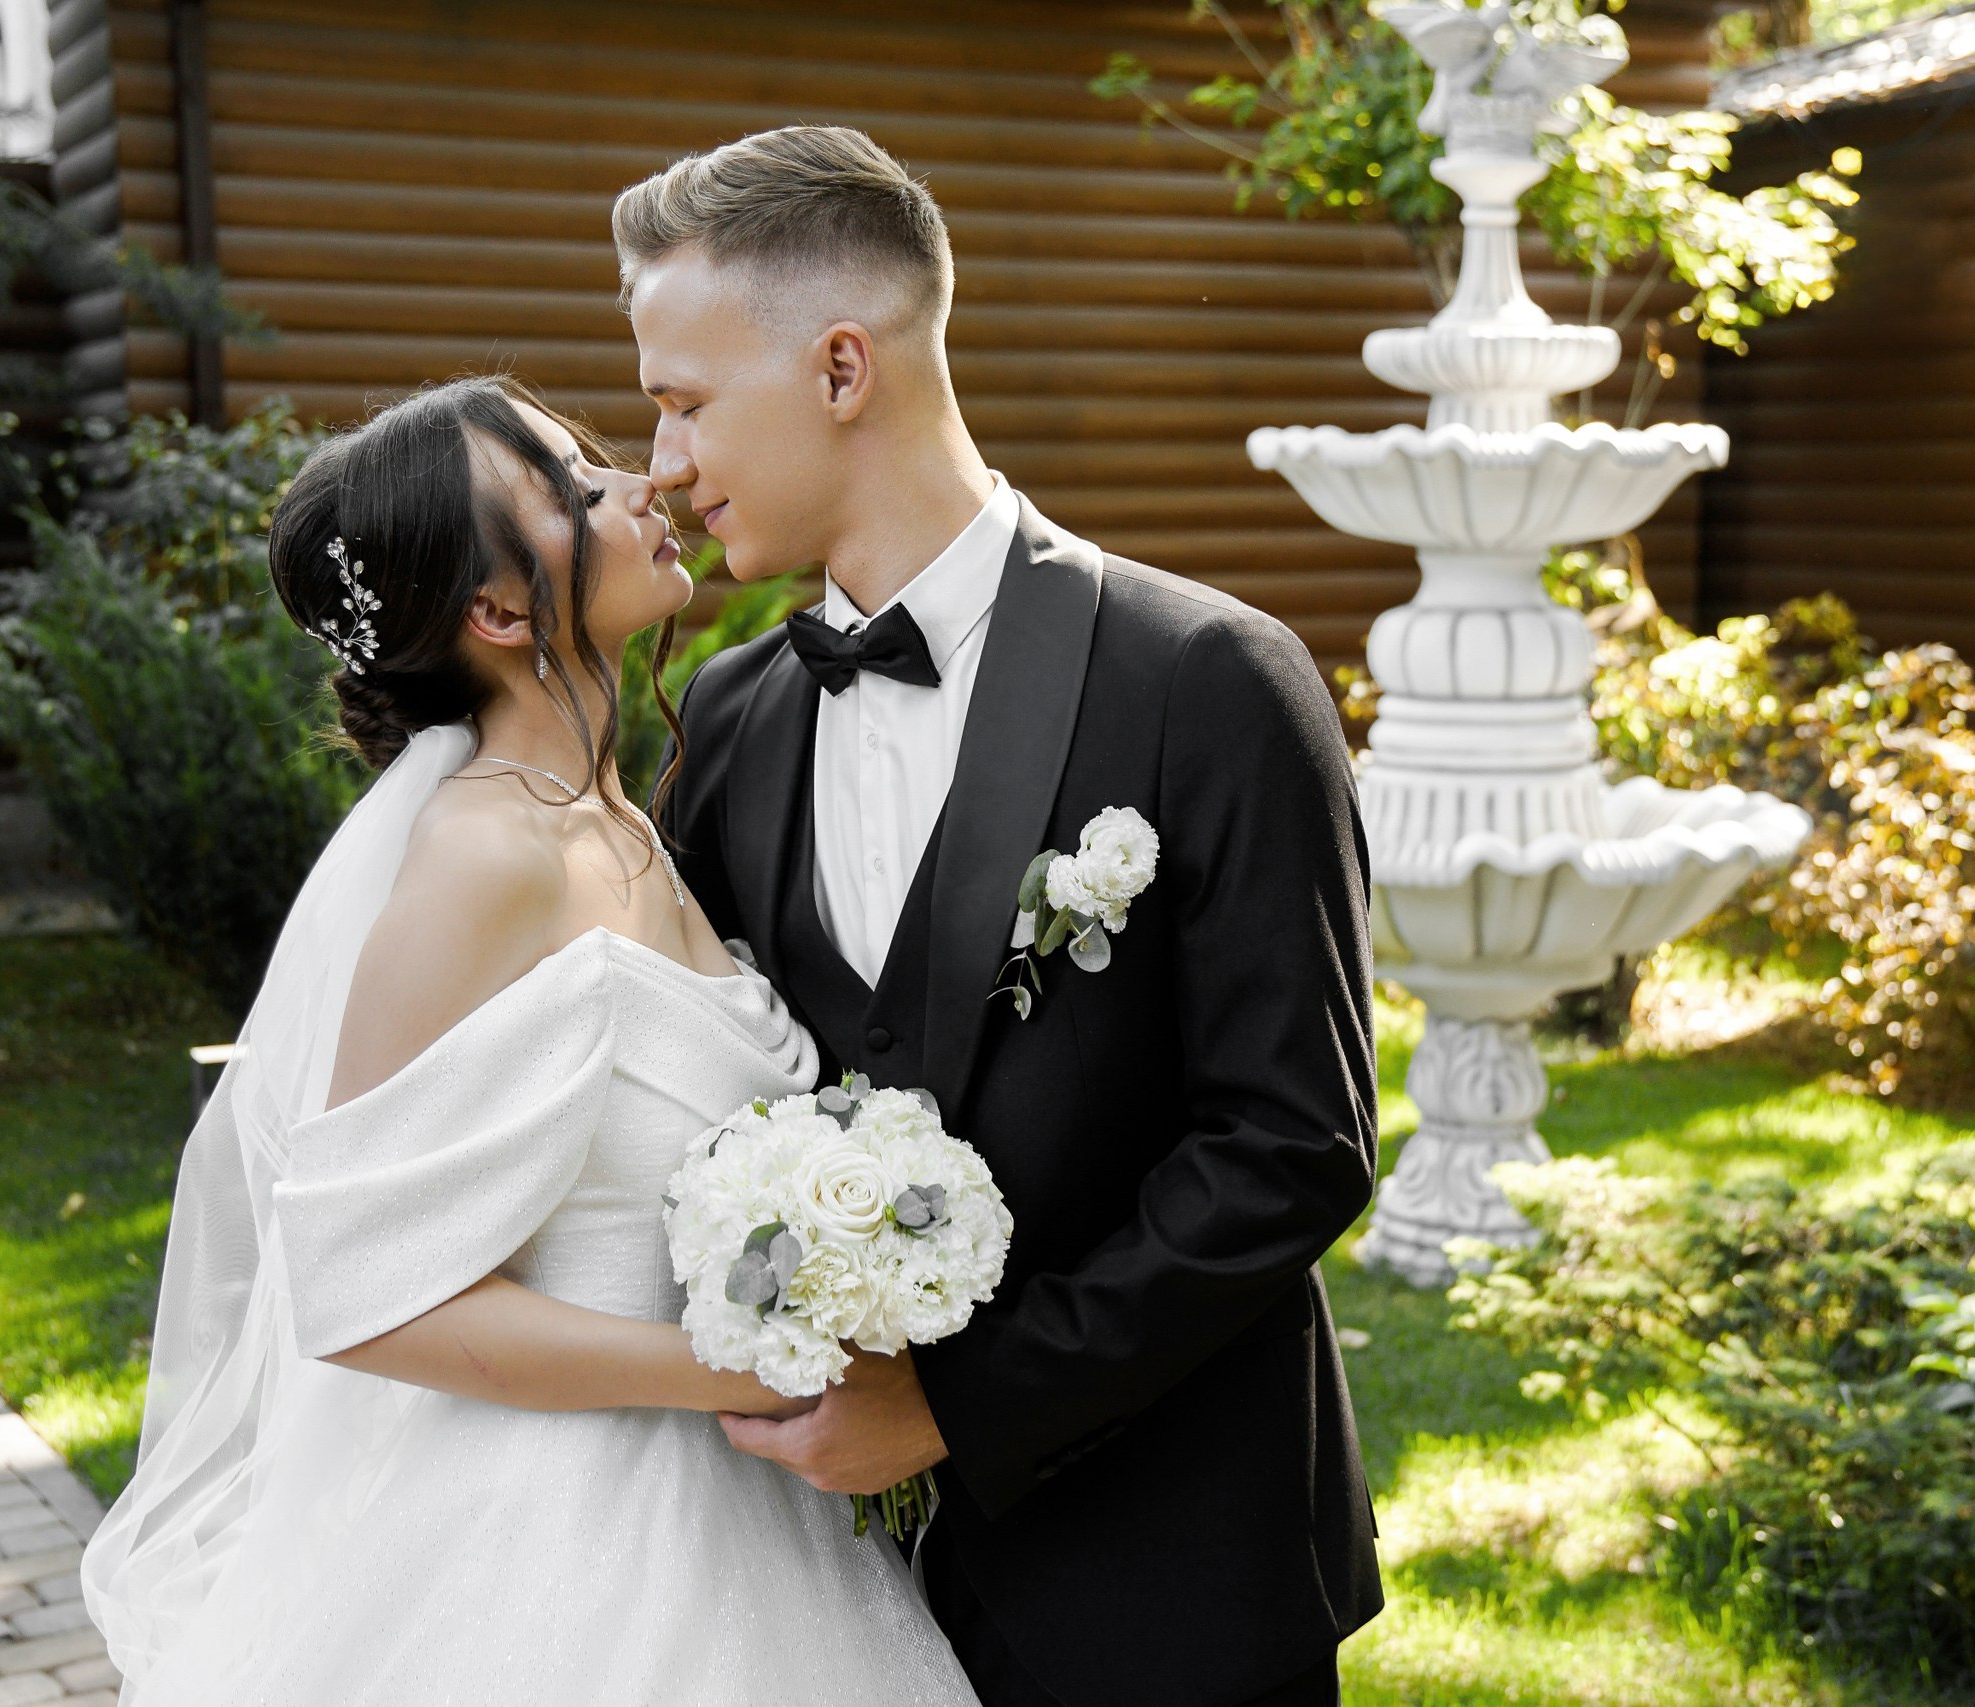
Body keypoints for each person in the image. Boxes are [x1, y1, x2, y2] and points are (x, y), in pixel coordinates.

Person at [623, 127, 1386, 1707]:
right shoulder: (732, 711)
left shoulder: (1209, 681)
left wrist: (966, 1405)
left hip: (1168, 1578)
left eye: (686, 402)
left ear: (843, 369)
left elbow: (1290, 1145)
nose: (663, 465)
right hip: (811, 1594)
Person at [80, 374, 981, 1705]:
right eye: (572, 486)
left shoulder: (614, 821)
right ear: (498, 612)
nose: (640, 486)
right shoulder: (482, 859)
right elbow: (367, 1297)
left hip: (753, 1512)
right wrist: (748, 1362)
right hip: (574, 1560)